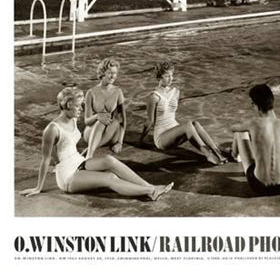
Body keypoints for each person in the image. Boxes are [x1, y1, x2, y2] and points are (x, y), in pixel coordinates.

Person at [20, 87, 173, 201]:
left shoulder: (72, 118)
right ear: (67, 105)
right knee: (110, 178)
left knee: (109, 160)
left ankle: (151, 187)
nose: (81, 109)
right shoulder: (52, 129)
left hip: (79, 161)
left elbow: (68, 146)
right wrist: (38, 188)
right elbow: (46, 159)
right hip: (68, 176)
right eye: (77, 106)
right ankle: (150, 191)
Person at [140, 61, 228, 165]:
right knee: (188, 125)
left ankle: (217, 151)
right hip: (162, 138)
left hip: (175, 131)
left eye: (171, 75)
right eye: (167, 76)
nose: (170, 79)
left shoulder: (175, 92)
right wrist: (141, 139)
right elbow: (150, 121)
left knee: (195, 124)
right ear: (159, 78)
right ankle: (208, 155)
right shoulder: (153, 97)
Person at [230, 84, 280, 196]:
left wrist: (245, 126)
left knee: (240, 132)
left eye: (252, 104)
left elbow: (233, 128)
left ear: (256, 105)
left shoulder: (253, 123)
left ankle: (234, 155)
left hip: (257, 185)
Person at [84, 58, 126, 158]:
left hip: (110, 132)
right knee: (101, 121)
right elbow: (87, 121)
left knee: (115, 122)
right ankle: (89, 154)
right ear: (102, 73)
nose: (113, 76)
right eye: (110, 73)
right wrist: (97, 116)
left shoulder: (118, 92)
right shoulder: (91, 93)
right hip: (91, 132)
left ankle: (89, 150)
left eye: (115, 73)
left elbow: (123, 120)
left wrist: (120, 142)